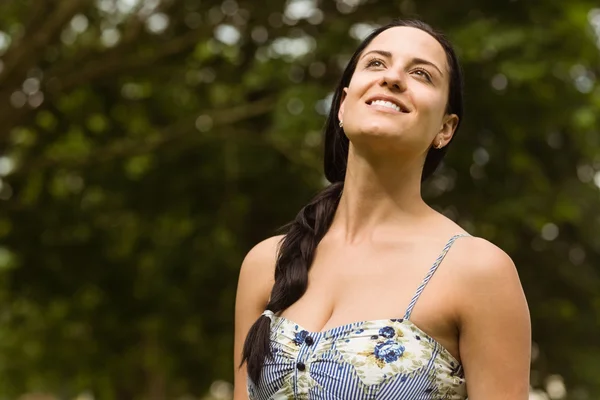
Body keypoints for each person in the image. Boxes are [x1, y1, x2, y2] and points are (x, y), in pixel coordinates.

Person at [233, 19, 531, 400]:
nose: (392, 78)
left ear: (446, 128)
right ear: (342, 104)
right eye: (376, 63)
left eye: (422, 74)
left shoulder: (478, 272)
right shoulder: (265, 264)